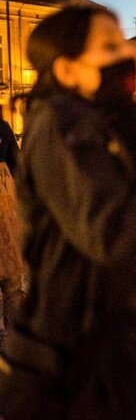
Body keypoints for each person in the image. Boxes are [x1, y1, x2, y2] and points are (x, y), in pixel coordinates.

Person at [0, 4, 136, 418]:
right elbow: (112, 237)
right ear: (66, 71)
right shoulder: (60, 127)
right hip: (89, 365)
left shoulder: (124, 123)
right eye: (109, 46)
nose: (126, 54)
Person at [0, 113, 23, 331]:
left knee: (12, 286)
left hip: (6, 218)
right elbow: (18, 168)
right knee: (12, 287)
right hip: (6, 217)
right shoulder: (3, 128)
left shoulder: (3, 129)